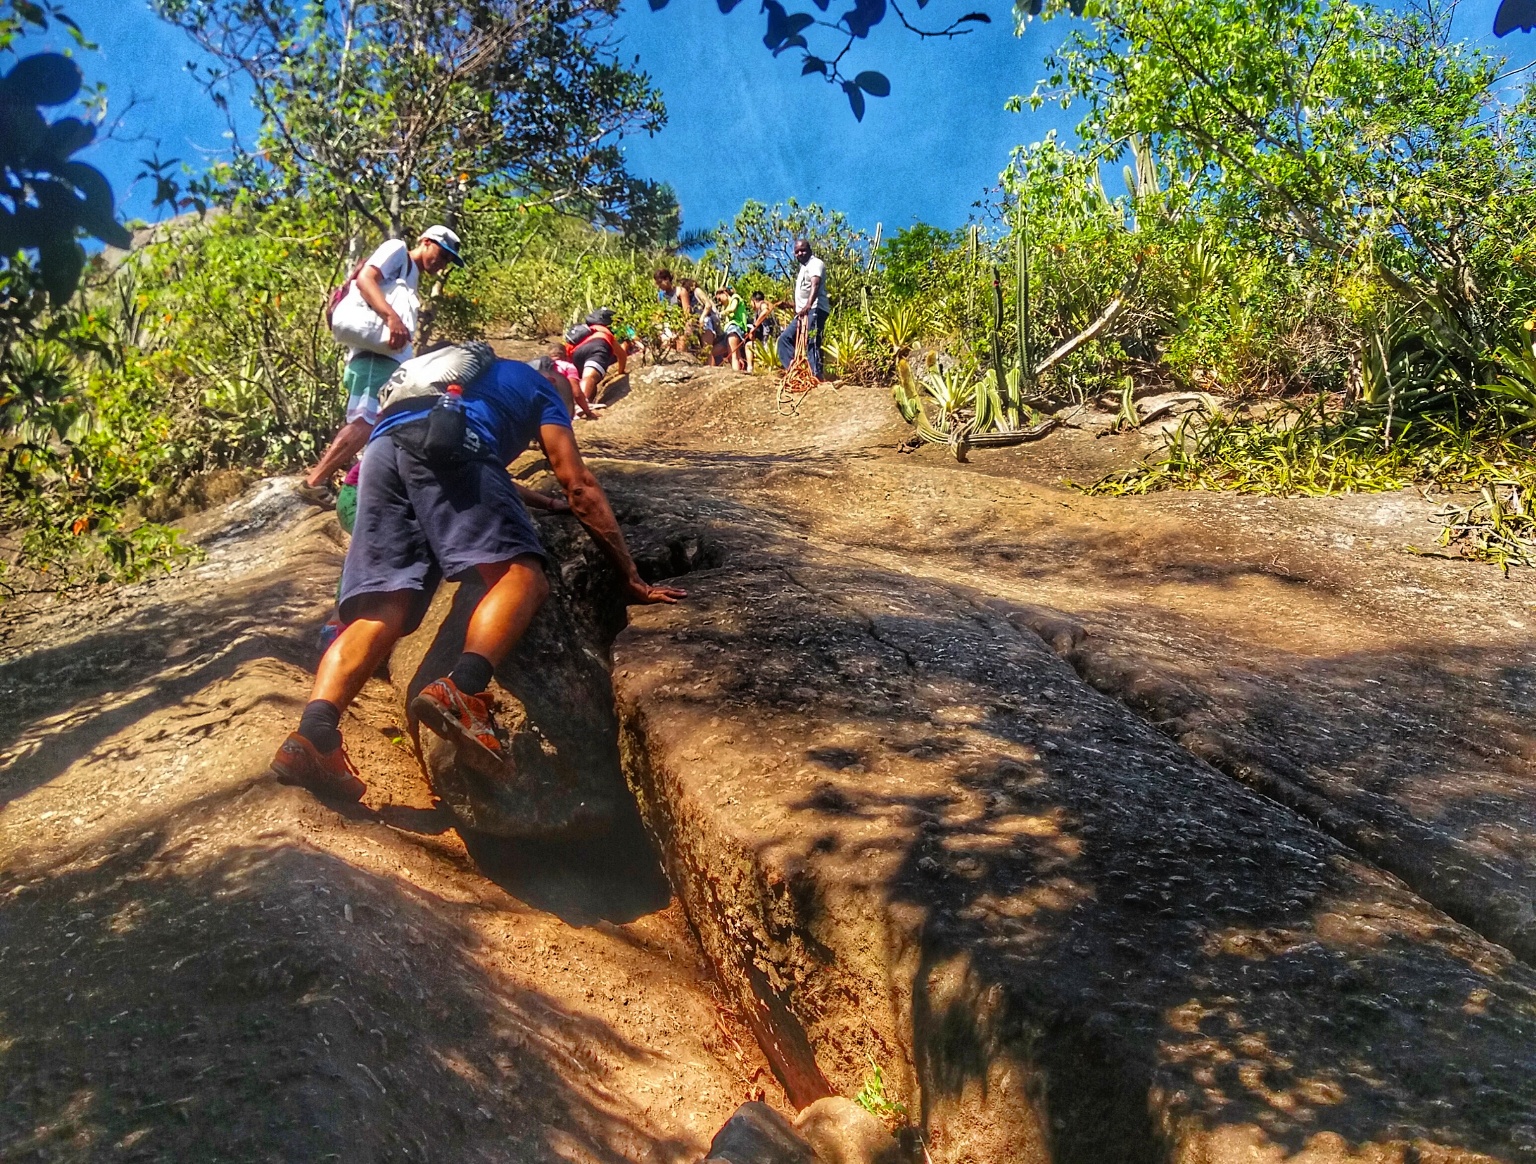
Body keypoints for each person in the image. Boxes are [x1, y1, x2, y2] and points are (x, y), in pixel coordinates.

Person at [266, 353, 684, 800]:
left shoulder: (474, 378)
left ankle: (312, 735)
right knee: (523, 576)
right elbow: (576, 481)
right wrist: (631, 574)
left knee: (384, 608)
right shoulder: (542, 389)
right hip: (449, 444)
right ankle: (463, 688)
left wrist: (540, 504)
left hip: (382, 455)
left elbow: (450, 455)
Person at [300, 226, 464, 506]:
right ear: (426, 242)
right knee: (365, 421)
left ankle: (357, 486)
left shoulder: (410, 276)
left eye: (449, 260)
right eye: (442, 253)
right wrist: (391, 318)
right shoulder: (397, 250)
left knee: (376, 423)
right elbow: (366, 279)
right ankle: (315, 482)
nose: (442, 262)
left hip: (380, 358)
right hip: (375, 359)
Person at [777, 238, 829, 381]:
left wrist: (808, 305)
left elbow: (815, 284)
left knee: (812, 341)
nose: (800, 253)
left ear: (810, 250)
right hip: (804, 313)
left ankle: (816, 376)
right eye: (797, 252)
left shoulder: (815, 263)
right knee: (784, 339)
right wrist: (789, 305)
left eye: (803, 250)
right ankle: (795, 372)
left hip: (815, 309)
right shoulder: (803, 268)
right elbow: (806, 293)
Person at [566, 308, 626, 418]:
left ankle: (577, 403)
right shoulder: (604, 332)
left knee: (584, 379)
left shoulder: (585, 330)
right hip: (597, 346)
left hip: (576, 353)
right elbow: (621, 355)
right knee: (590, 376)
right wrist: (621, 371)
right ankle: (583, 404)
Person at [713, 287, 750, 371]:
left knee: (733, 355)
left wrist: (721, 313)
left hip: (735, 327)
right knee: (713, 352)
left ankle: (736, 374)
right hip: (727, 332)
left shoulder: (735, 298)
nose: (719, 302)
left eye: (719, 298)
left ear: (725, 293)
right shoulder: (726, 307)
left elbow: (733, 308)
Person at [746, 290, 779, 374]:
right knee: (750, 345)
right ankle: (751, 369)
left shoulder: (763, 304)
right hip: (769, 341)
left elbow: (765, 311)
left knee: (748, 346)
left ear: (753, 301)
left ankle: (749, 369)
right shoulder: (758, 312)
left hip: (770, 342)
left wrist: (754, 326)